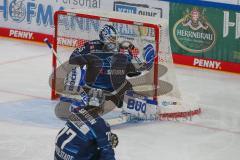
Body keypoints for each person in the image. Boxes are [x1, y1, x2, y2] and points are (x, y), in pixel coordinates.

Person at [67, 24, 155, 108]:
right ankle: (82, 103)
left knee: (129, 102)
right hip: (94, 85)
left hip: (114, 86)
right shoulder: (92, 45)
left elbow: (130, 72)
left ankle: (126, 103)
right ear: (104, 37)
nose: (114, 41)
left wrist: (145, 66)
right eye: (111, 38)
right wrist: (83, 64)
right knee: (94, 104)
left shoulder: (122, 49)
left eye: (115, 38)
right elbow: (73, 57)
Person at [55, 88, 118, 160]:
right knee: (103, 150)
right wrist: (107, 141)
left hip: (58, 154)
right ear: (101, 104)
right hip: (74, 157)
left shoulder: (76, 110)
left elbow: (85, 130)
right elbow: (107, 153)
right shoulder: (101, 124)